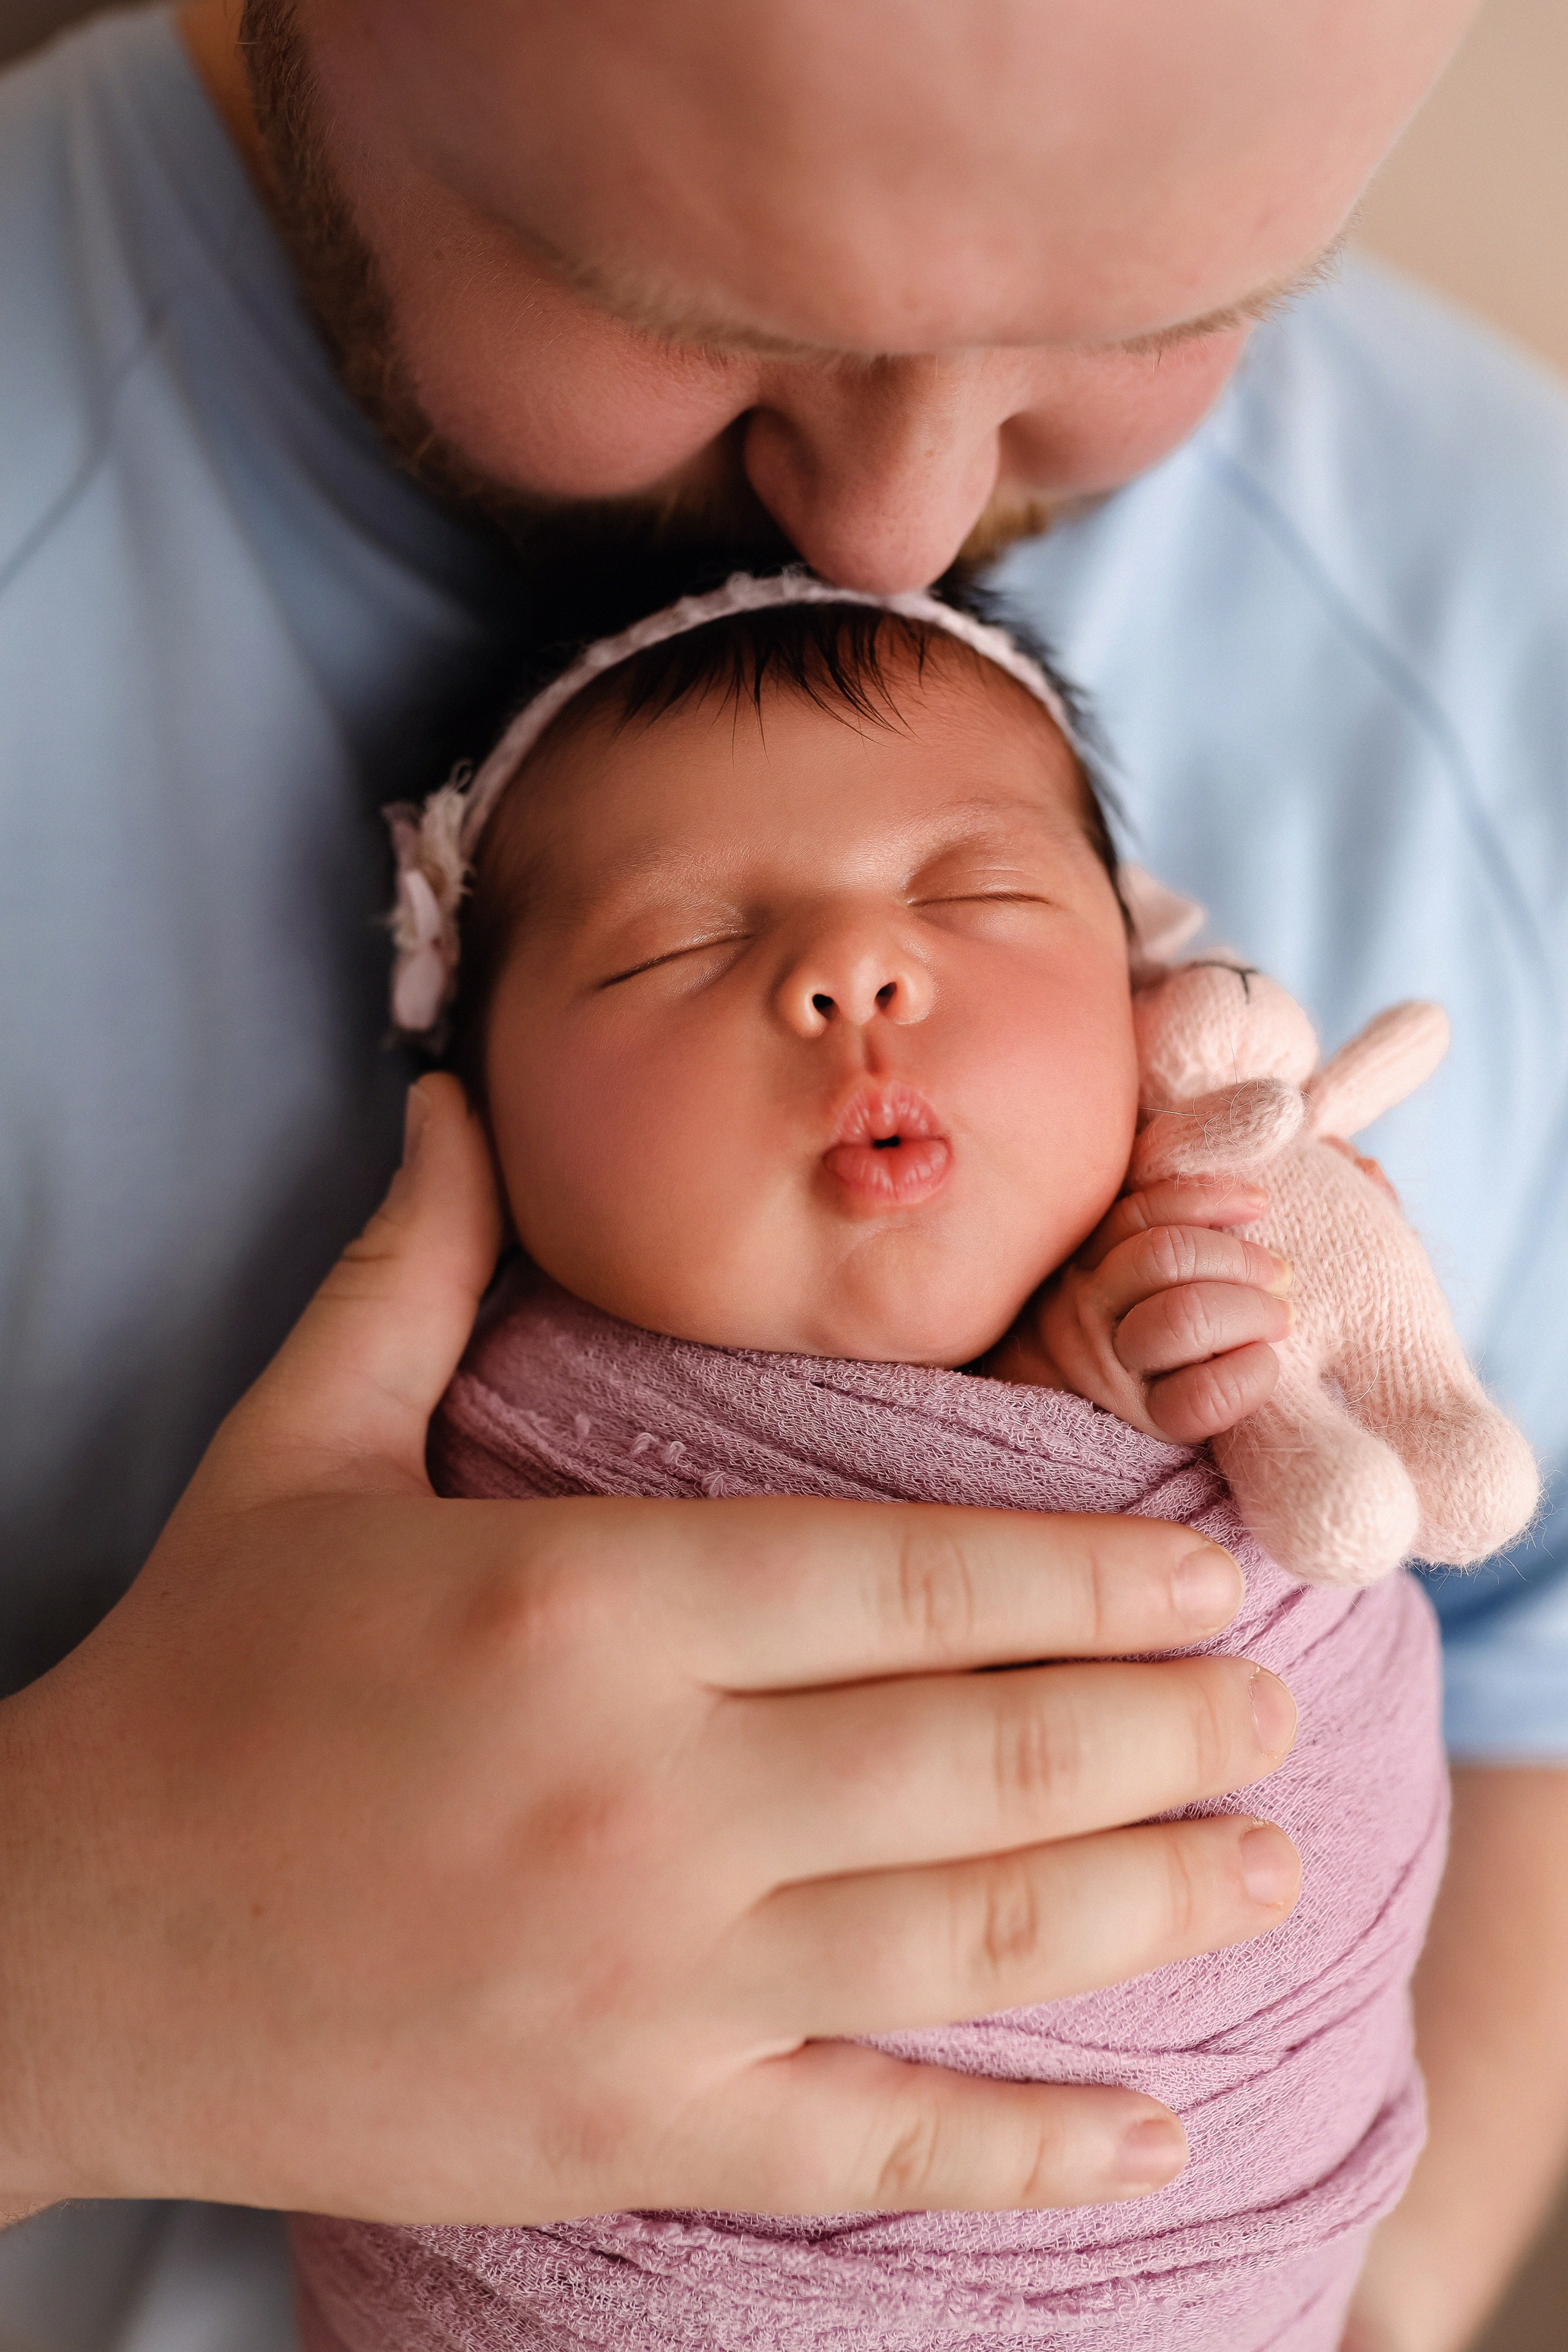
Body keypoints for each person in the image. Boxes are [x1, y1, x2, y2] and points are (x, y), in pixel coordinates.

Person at [0, 3, 1564, 2349]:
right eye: (686, 317)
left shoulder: (1508, 620)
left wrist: (1350, 2284)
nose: (900, 527)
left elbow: (1526, 1663)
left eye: (1146, 326)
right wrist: (60, 1977)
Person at [289, 568, 1464, 2352]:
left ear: (1150, 994)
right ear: (480, 1100)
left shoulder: (1234, 1292)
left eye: (975, 893)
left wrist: (1135, 1388)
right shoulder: (476, 1455)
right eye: (674, 945)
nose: (854, 970)